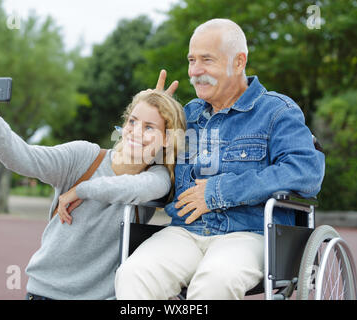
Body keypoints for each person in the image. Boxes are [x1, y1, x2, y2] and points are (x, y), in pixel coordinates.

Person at [115, 18, 325, 300]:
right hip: (185, 232)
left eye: (207, 60)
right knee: (133, 273)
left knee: (213, 283)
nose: (195, 71)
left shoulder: (276, 112)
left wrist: (219, 192)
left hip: (249, 234)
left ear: (238, 62)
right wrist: (148, 120)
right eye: (191, 60)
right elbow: (143, 166)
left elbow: (307, 172)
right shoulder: (186, 115)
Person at [0, 73, 186, 300]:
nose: (136, 131)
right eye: (133, 121)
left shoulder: (157, 177)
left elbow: (135, 188)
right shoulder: (84, 156)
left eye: (149, 127)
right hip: (44, 294)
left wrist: (81, 190)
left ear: (168, 139)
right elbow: (24, 157)